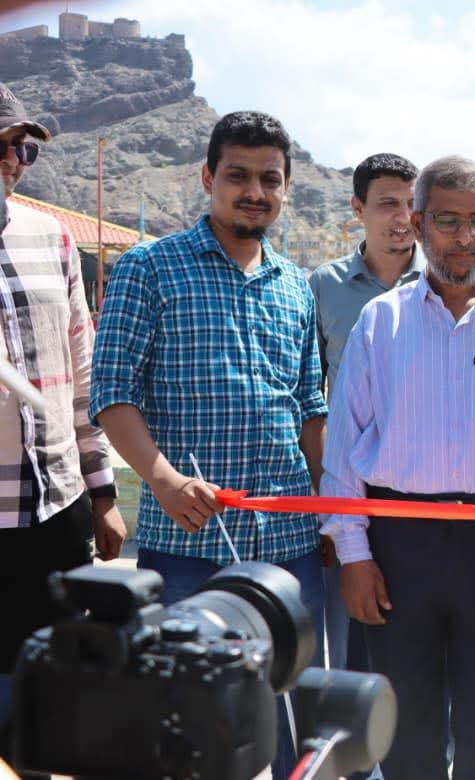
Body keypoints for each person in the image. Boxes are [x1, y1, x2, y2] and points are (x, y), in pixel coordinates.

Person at [90, 111, 328, 780]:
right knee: (190, 730)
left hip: (290, 547)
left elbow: (309, 408)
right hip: (188, 546)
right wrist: (164, 481)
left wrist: (333, 509)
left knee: (292, 725)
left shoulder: (295, 287)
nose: (254, 192)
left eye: (270, 179)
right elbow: (111, 394)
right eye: (238, 176)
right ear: (207, 178)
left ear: (286, 187)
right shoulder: (149, 268)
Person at [321, 155, 475, 780]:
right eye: (448, 220)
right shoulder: (381, 322)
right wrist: (353, 555)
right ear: (419, 223)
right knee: (407, 735)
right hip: (398, 548)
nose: (464, 237)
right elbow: (344, 449)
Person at [0, 82, 124, 751]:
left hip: (57, 509)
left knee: (56, 702)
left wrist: (103, 494)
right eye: (1, 147)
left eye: (22, 149)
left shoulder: (52, 240)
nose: (12, 161)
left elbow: (83, 379)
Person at [310, 152, 423, 675]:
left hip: (425, 494)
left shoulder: (444, 283)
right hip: (350, 491)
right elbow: (309, 398)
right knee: (350, 650)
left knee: (425, 655)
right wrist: (325, 506)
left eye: (411, 203)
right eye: (387, 204)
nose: (402, 217)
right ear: (358, 209)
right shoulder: (323, 287)